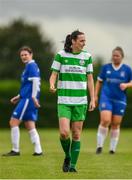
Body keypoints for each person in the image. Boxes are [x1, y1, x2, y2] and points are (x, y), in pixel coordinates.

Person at [49, 30, 95, 172]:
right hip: (64, 100)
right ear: (73, 41)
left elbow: (90, 79)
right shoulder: (61, 55)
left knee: (76, 134)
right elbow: (53, 75)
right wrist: (52, 84)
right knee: (64, 133)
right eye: (81, 40)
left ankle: (73, 166)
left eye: (84, 40)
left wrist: (93, 99)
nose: (84, 43)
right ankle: (68, 156)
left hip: (80, 101)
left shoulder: (87, 57)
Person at [95, 46, 132, 154]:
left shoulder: (127, 69)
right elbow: (99, 81)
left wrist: (126, 85)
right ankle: (99, 146)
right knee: (105, 120)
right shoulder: (106, 68)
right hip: (106, 97)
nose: (115, 57)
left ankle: (112, 149)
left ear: (122, 57)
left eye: (117, 55)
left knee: (116, 123)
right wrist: (95, 95)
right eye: (113, 55)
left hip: (120, 99)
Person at [3, 46, 42, 156]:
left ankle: (15, 150)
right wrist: (19, 96)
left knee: (13, 122)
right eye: (22, 55)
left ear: (31, 54)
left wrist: (34, 97)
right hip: (26, 98)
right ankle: (38, 151)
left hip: (28, 99)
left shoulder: (31, 66)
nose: (24, 57)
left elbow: (35, 81)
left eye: (26, 54)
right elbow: (27, 86)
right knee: (30, 124)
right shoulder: (29, 67)